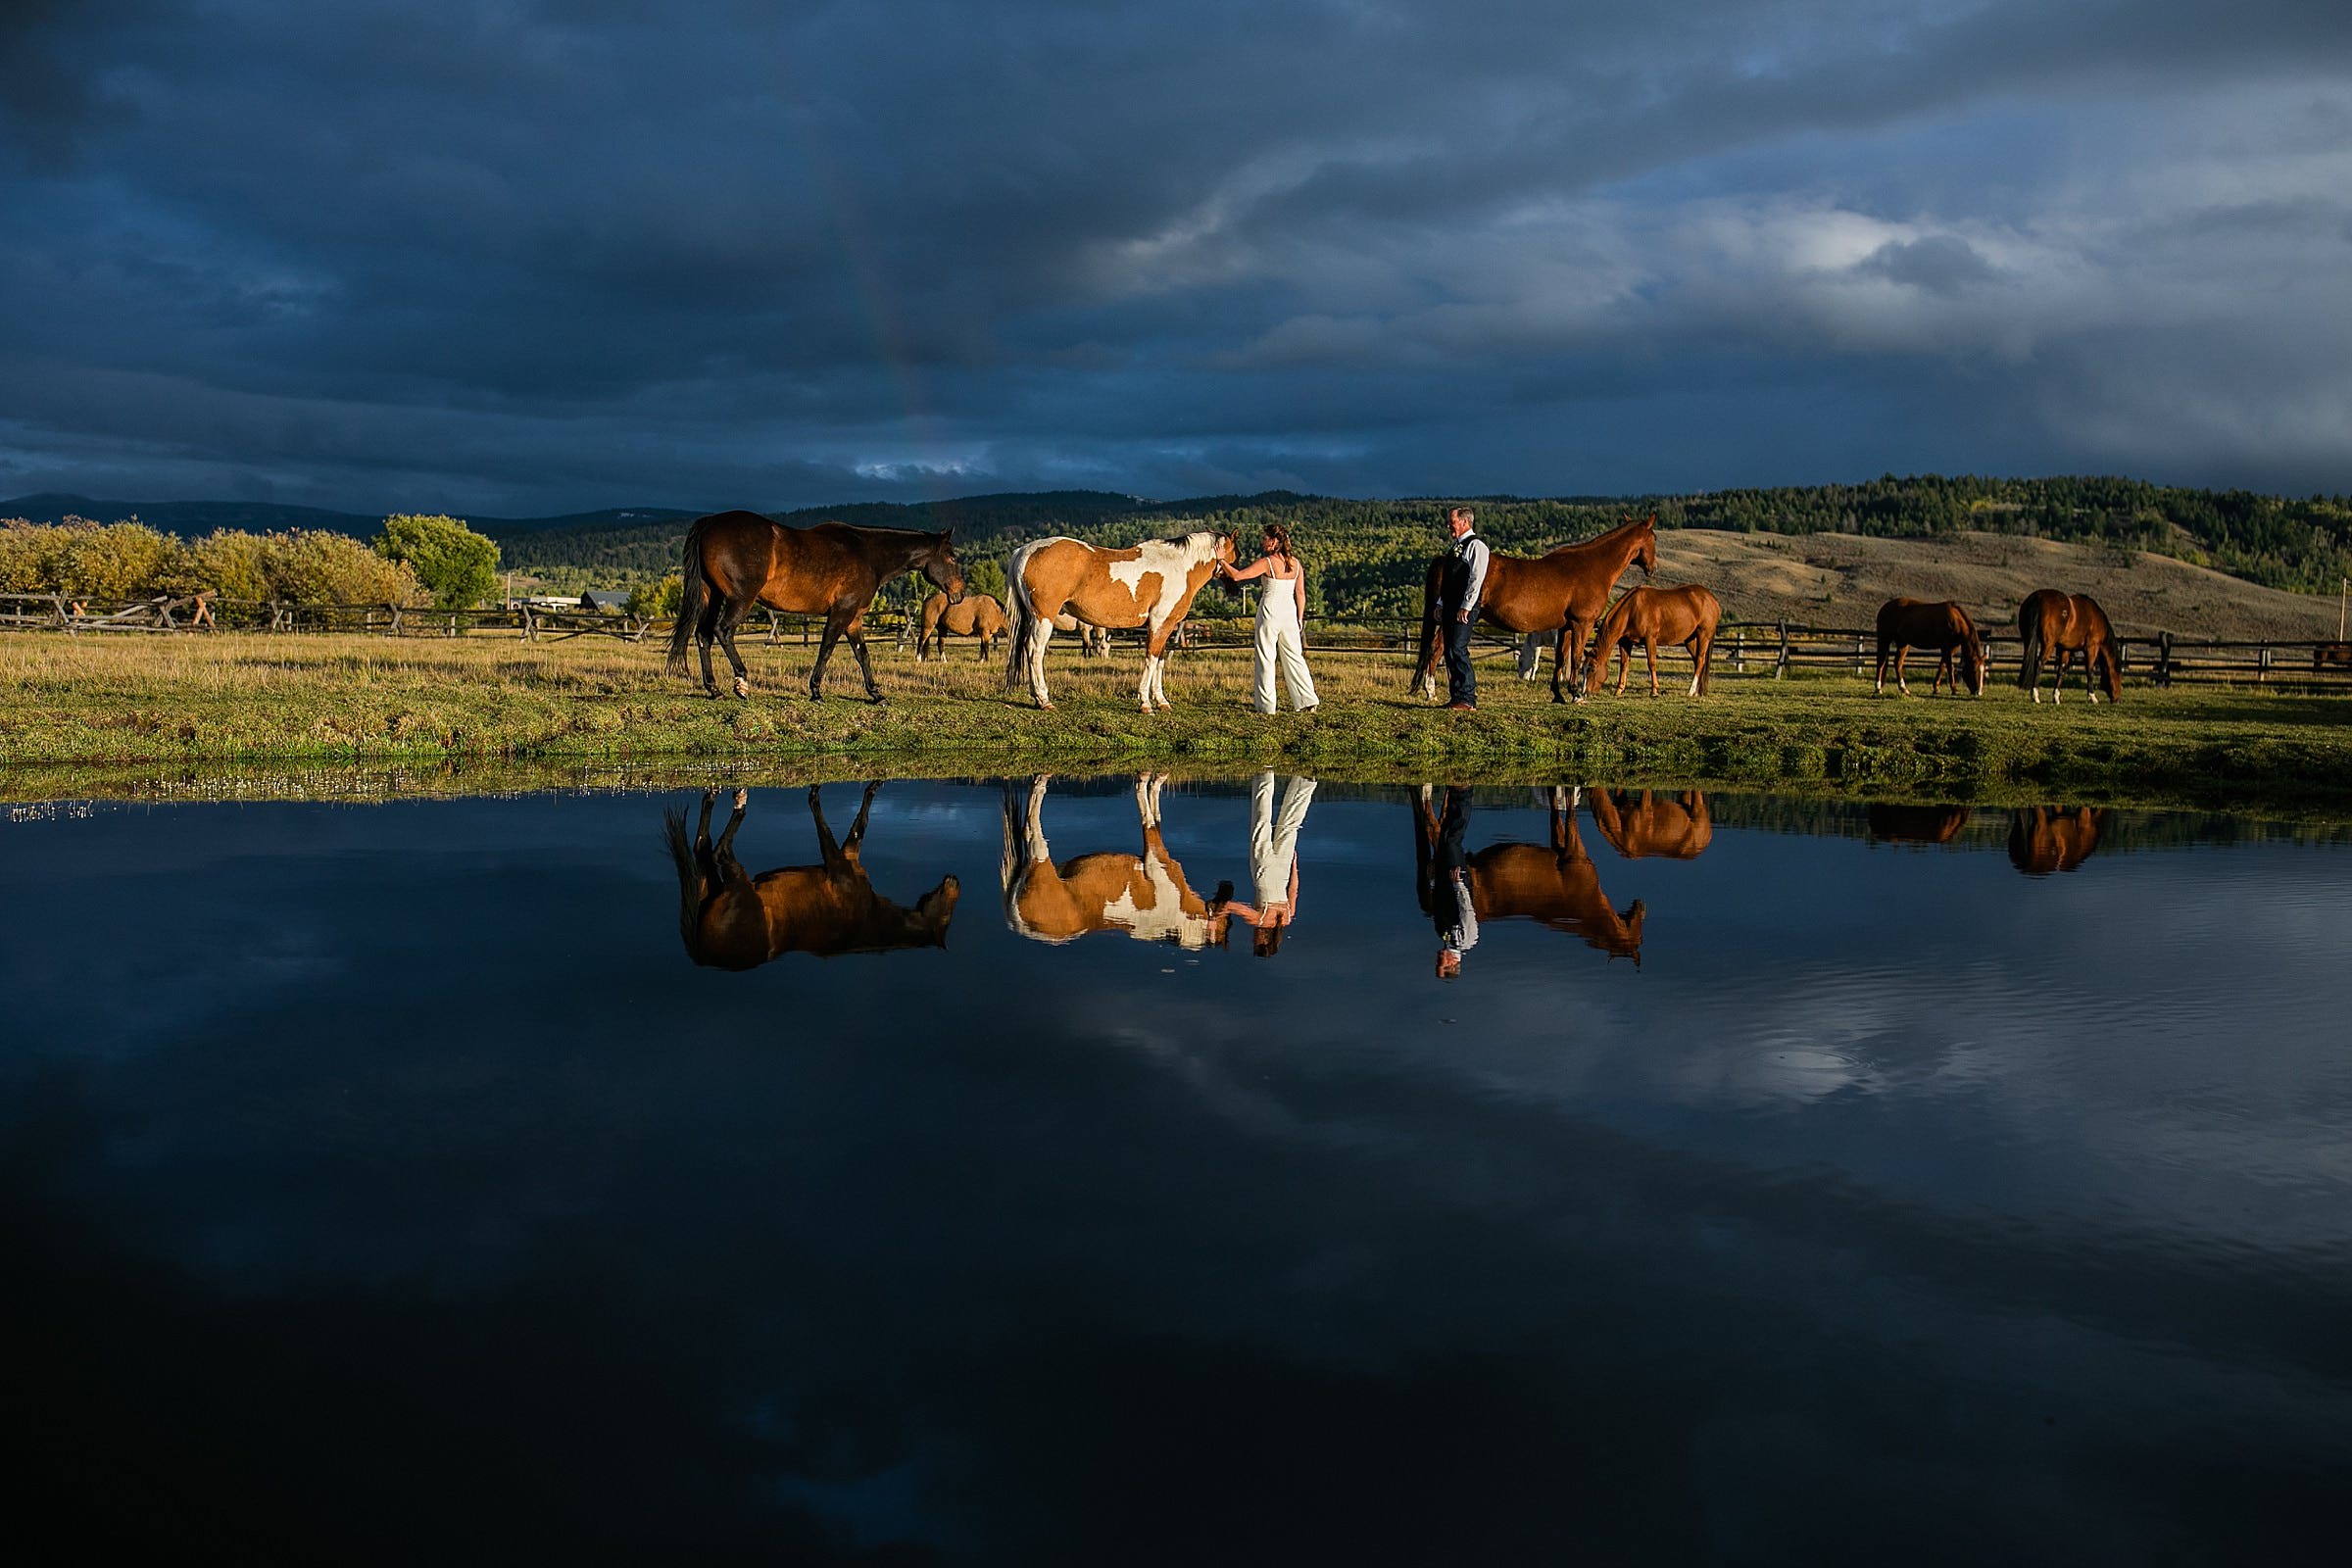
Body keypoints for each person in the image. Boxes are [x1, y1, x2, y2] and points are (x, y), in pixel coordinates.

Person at [1216, 523, 1319, 715]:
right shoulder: (1296, 564)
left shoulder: (1267, 562)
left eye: (1264, 538)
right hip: (1290, 614)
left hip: (1270, 611)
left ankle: (1266, 706)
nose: (1262, 541)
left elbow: (1238, 576)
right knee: (1295, 657)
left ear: (1273, 542)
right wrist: (1299, 618)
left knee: (1266, 658)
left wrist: (1221, 560)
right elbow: (1301, 594)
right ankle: (1307, 700)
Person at [1215, 771, 1317, 956]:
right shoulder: (1259, 921)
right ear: (1264, 941)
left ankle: (1305, 781)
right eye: (1255, 943)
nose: (1252, 939)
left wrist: (1294, 865)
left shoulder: (1286, 918)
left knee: (1290, 826)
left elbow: (1293, 891)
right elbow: (1231, 905)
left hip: (1284, 870)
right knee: (1260, 825)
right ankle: (1265, 775)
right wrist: (1218, 917)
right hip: (1264, 873)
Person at [1437, 506, 1489, 711]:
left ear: (1465, 522)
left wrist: (1466, 606)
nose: (1449, 525)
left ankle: (1467, 698)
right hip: (1450, 605)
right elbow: (1449, 580)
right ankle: (1456, 696)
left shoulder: (1476, 546)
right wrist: (1440, 603)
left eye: (1452, 521)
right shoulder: (1456, 546)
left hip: (1463, 607)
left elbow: (1476, 579)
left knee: (1458, 648)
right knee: (1449, 650)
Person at [1425, 785, 1477, 978]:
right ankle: (1464, 793)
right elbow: (1467, 910)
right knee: (1452, 841)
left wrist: (1432, 881)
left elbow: (1438, 906)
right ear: (1452, 963)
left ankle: (1455, 794)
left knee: (1445, 837)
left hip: (1444, 882)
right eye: (1441, 963)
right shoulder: (1467, 939)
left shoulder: (1442, 933)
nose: (1438, 958)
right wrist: (1459, 884)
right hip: (1457, 880)